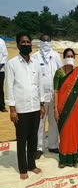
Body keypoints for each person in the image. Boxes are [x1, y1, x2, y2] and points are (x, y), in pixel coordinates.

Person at [6, 33, 45, 179]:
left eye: (28, 42)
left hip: (35, 107)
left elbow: (39, 84)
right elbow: (9, 87)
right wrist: (12, 109)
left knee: (33, 138)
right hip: (21, 109)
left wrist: (41, 104)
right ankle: (23, 168)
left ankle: (31, 165)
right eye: (23, 42)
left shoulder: (35, 63)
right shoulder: (12, 64)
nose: (26, 44)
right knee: (22, 140)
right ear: (18, 45)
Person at [54, 48, 78, 168]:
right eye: (68, 56)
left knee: (76, 132)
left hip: (77, 106)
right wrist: (55, 109)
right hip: (62, 107)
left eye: (72, 56)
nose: (70, 58)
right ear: (64, 58)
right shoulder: (58, 73)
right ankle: (63, 160)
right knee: (64, 133)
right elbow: (56, 91)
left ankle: (75, 158)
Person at [32, 34, 62, 159]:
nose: (45, 43)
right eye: (43, 41)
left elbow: (60, 72)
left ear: (51, 42)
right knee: (40, 122)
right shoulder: (35, 57)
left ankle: (53, 144)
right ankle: (39, 147)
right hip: (41, 96)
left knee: (54, 121)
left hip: (54, 95)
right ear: (40, 42)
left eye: (47, 41)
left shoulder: (55, 56)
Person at [0, 37, 8, 112]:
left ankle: (1, 106)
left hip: (0, 70)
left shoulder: (1, 42)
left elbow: (5, 55)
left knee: (0, 88)